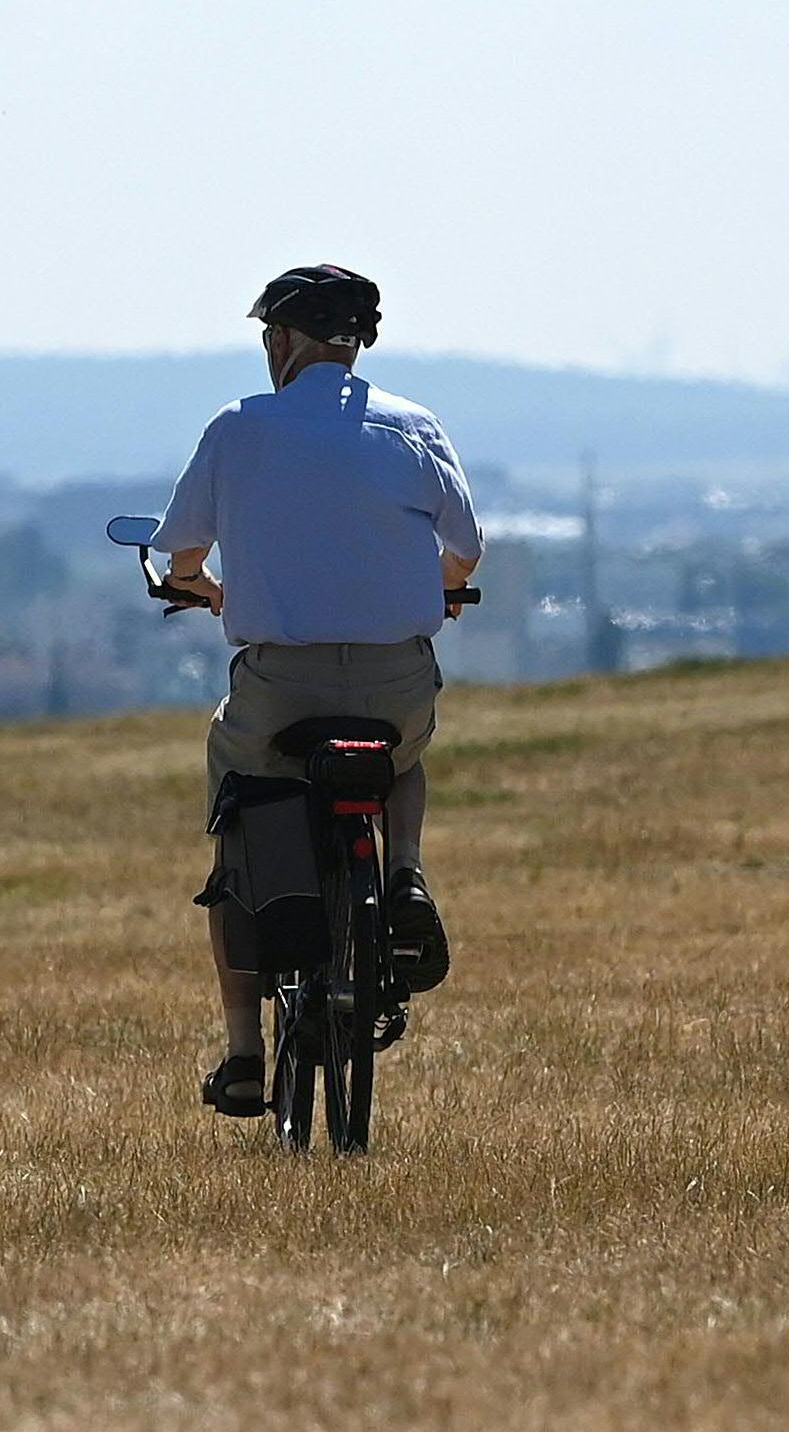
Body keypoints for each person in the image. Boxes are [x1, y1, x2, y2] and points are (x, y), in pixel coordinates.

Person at [147, 264, 485, 1117]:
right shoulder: (414, 427)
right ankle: (403, 873)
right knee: (402, 760)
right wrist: (436, 585)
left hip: (280, 682)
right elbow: (467, 547)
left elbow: (180, 551)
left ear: (284, 342)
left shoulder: (239, 429)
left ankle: (243, 1053)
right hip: (394, 675)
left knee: (238, 810)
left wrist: (199, 583)